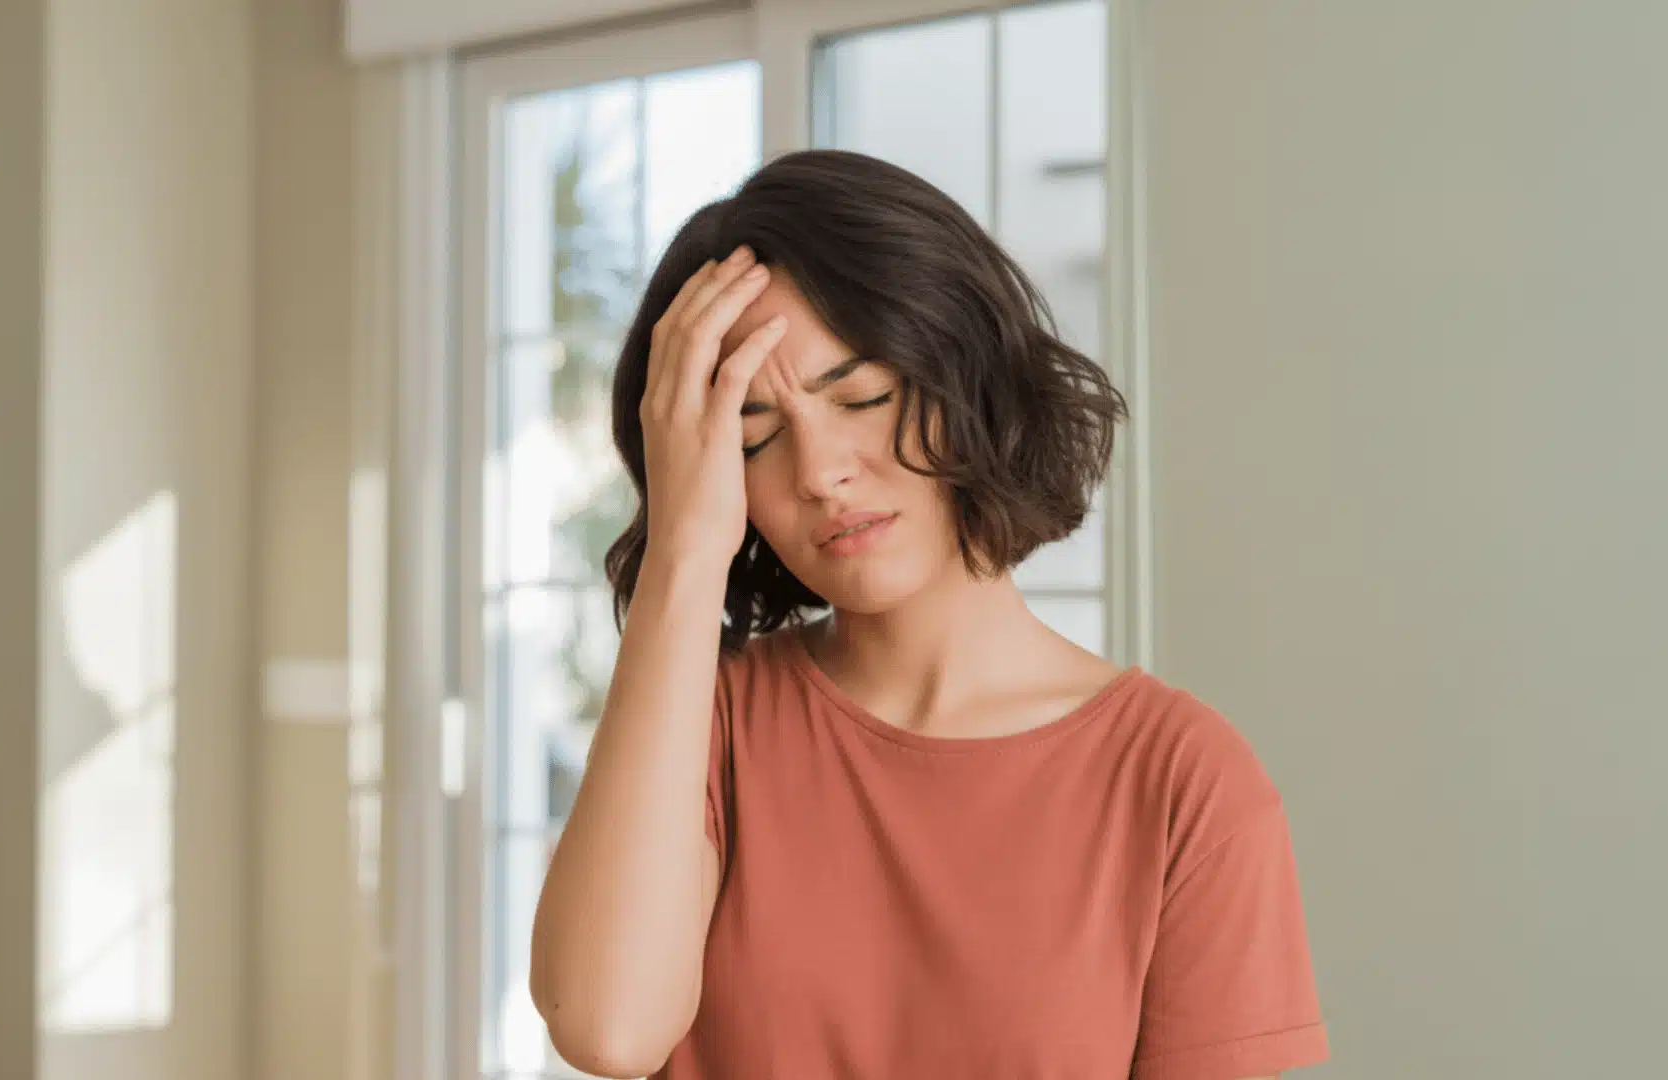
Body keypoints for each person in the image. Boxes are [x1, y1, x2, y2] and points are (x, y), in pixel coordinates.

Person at [528, 149, 1328, 1080]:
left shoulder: (1182, 782)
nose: (820, 472)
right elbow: (607, 1031)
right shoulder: (702, 732)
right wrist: (683, 553)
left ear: (966, 372)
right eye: (755, 438)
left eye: (863, 397)